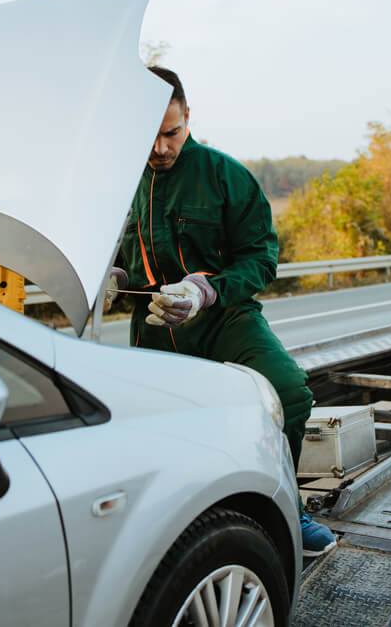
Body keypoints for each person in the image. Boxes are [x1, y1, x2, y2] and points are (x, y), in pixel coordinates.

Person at [112, 66, 336, 556]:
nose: (161, 148)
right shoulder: (118, 183)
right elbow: (121, 258)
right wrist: (116, 279)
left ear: (187, 117)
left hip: (226, 319)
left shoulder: (225, 175)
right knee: (155, 426)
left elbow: (262, 259)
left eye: (171, 133)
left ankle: (289, 505)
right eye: (149, 137)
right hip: (154, 329)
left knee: (290, 393)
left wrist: (205, 292)